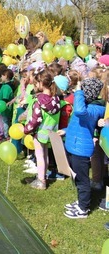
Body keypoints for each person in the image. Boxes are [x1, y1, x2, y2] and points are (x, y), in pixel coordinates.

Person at [59, 78, 105, 218]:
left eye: (82, 90)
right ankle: (80, 201)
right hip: (73, 146)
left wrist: (78, 91)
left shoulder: (93, 108)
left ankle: (83, 209)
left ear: (86, 92)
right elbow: (78, 123)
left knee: (83, 180)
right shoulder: (85, 105)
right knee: (76, 177)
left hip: (81, 150)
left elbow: (79, 112)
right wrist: (66, 130)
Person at [23, 68, 61, 190]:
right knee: (44, 155)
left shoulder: (39, 101)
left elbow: (35, 120)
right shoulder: (56, 99)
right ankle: (42, 175)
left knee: (40, 156)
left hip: (40, 133)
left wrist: (26, 130)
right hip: (50, 132)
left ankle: (41, 181)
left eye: (36, 83)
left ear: (42, 83)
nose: (35, 86)